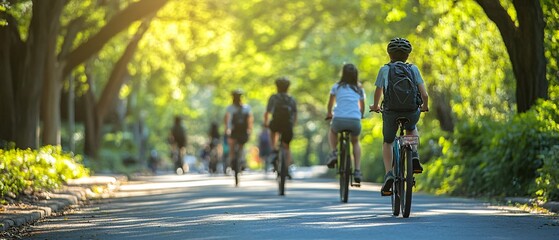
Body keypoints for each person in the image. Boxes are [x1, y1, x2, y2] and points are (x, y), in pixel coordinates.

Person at [369, 37, 429, 196]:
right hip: (410, 110)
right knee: (411, 127)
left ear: (389, 54)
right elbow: (424, 94)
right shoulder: (414, 69)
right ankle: (414, 154)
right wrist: (424, 106)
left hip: (391, 111)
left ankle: (389, 173)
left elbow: (378, 92)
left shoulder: (385, 69)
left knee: (388, 141)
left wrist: (375, 106)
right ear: (407, 55)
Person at [325, 63, 365, 184]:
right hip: (354, 121)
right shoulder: (359, 89)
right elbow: (362, 107)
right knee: (355, 141)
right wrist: (360, 115)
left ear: (343, 74)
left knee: (332, 131)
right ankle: (357, 170)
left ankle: (333, 153)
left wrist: (329, 113)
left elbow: (330, 104)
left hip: (339, 120)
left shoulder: (336, 87)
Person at [264, 77, 297, 177]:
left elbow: (267, 113)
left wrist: (266, 123)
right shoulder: (291, 99)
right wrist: (293, 124)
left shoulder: (273, 98)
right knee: (287, 147)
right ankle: (287, 168)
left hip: (276, 123)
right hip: (287, 124)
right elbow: (295, 114)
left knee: (272, 130)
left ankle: (274, 148)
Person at [224, 89, 253, 172]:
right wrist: (249, 130)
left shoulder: (230, 108)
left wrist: (226, 129)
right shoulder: (246, 108)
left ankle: (232, 161)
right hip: (243, 131)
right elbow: (250, 120)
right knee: (241, 146)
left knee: (232, 146)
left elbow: (226, 120)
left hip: (233, 130)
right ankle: (241, 160)